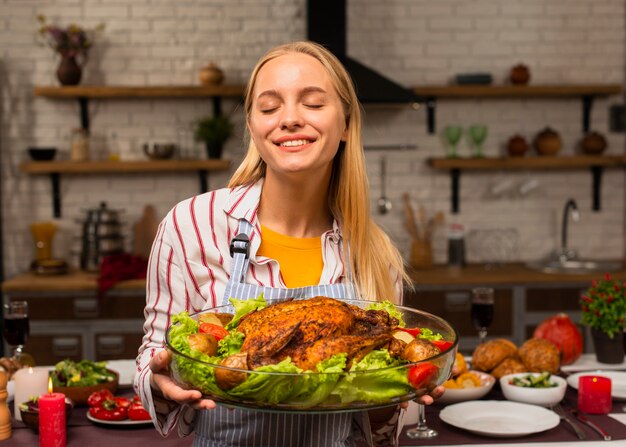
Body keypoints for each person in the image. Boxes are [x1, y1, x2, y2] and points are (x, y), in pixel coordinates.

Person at [135, 41, 443, 447]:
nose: (290, 119)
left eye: (313, 104)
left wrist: (393, 393)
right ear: (252, 126)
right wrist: (159, 382)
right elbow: (152, 358)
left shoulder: (372, 252)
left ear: (347, 124)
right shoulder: (191, 224)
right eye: (269, 107)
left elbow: (378, 434)